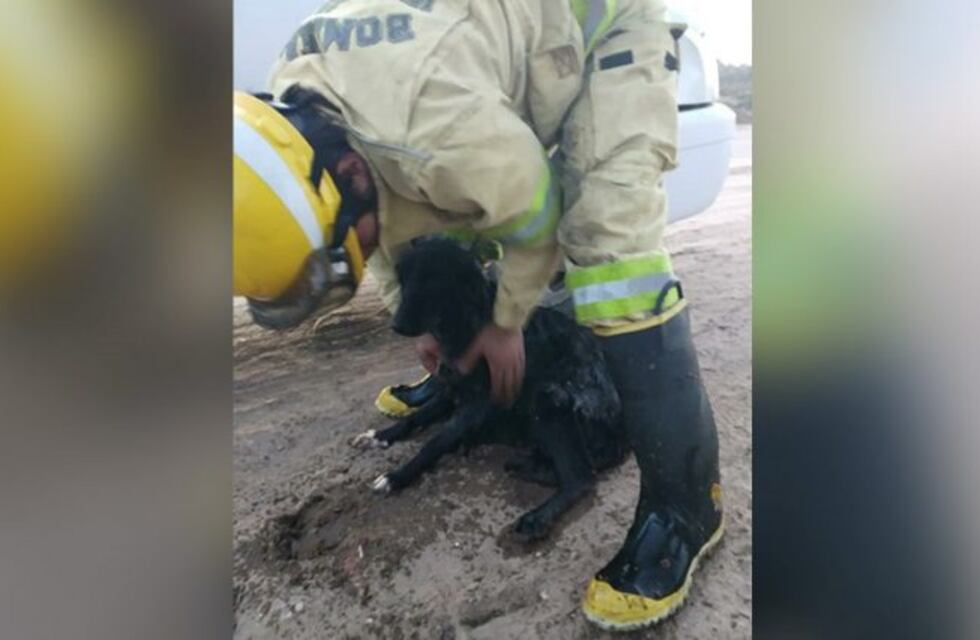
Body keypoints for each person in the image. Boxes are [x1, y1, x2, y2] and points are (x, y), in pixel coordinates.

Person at [233, 0, 723, 630]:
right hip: (471, 83)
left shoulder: (428, 127)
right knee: (451, 216)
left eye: (345, 247)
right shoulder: (305, 106)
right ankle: (472, 364)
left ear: (350, 170)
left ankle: (687, 512)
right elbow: (383, 230)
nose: (357, 256)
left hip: (603, 25)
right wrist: (432, 329)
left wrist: (507, 323)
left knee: (607, 244)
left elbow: (535, 218)